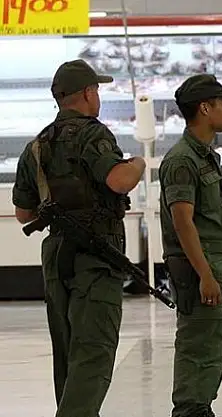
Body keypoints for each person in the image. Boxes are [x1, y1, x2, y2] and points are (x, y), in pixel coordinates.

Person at [11, 59, 146, 417]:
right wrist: (138, 163)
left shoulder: (37, 145)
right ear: (87, 93)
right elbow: (119, 180)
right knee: (95, 351)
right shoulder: (93, 134)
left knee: (68, 352)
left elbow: (24, 213)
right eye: (96, 90)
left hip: (57, 255)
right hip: (95, 258)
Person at [158, 74, 222, 417]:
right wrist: (205, 274)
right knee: (198, 350)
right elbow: (183, 221)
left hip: (214, 269)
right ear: (205, 109)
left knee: (214, 349)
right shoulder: (182, 160)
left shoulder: (204, 156)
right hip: (198, 272)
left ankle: (199, 407)